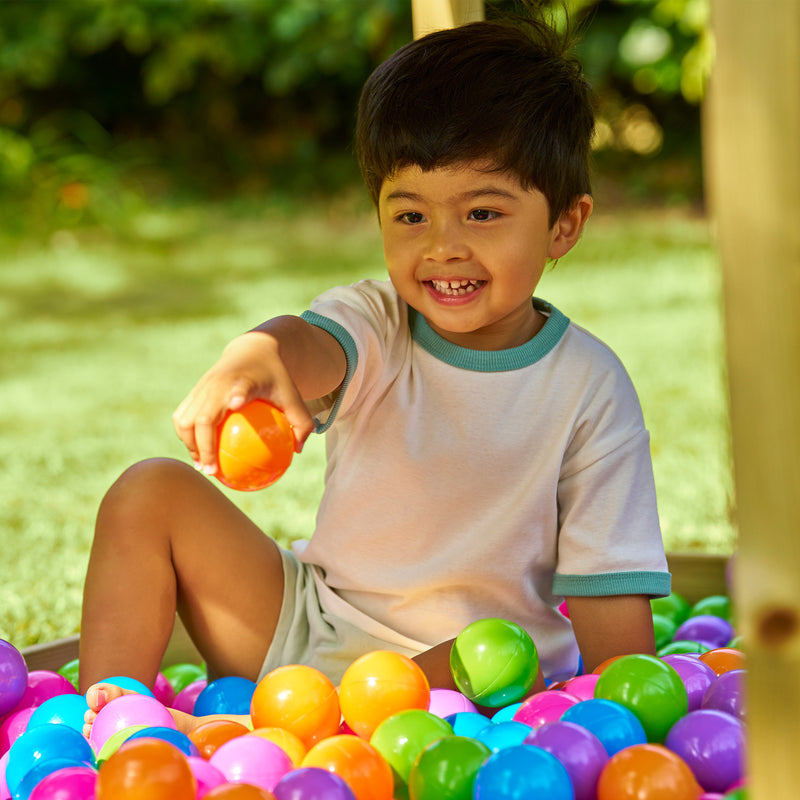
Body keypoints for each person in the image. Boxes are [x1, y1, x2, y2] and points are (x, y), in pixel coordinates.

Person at [80, 14, 670, 735]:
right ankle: (111, 717)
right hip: (306, 637)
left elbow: (613, 612)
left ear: (563, 227)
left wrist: (623, 723)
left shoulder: (589, 387)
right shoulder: (378, 318)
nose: (443, 247)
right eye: (411, 215)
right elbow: (313, 345)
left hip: (464, 680)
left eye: (482, 212)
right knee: (150, 491)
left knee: (494, 651)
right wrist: (256, 355)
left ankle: (340, 732)